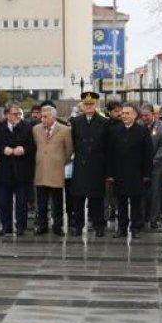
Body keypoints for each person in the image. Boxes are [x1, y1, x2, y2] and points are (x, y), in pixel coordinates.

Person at [106, 103, 154, 239]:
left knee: (136, 203)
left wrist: (147, 174)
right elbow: (109, 154)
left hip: (136, 174)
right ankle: (121, 228)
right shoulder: (114, 131)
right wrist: (109, 174)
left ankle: (135, 228)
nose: (124, 116)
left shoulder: (142, 131)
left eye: (127, 113)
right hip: (119, 173)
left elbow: (148, 154)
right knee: (121, 202)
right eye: (123, 113)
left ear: (135, 115)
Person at [68, 91, 110, 237]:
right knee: (78, 198)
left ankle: (98, 225)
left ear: (96, 104)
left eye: (91, 104)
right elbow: (73, 143)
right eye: (86, 104)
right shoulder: (75, 121)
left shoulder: (104, 122)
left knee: (96, 198)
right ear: (82, 105)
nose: (88, 106)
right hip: (81, 164)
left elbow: (107, 146)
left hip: (97, 165)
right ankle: (78, 226)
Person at [0, 102, 35, 236]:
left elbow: (33, 146)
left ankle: (21, 226)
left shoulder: (27, 127)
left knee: (22, 201)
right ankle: (6, 226)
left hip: (22, 170)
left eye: (19, 114)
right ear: (7, 115)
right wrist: (2, 150)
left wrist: (24, 149)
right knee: (4, 201)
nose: (18, 117)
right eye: (15, 114)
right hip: (4, 170)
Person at [32, 105, 72, 236]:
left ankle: (58, 226)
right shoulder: (36, 129)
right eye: (41, 116)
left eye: (45, 117)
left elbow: (69, 149)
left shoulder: (65, 130)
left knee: (57, 201)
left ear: (53, 117)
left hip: (56, 170)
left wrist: (60, 161)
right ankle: (42, 225)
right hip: (41, 170)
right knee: (41, 202)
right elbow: (35, 146)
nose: (42, 119)